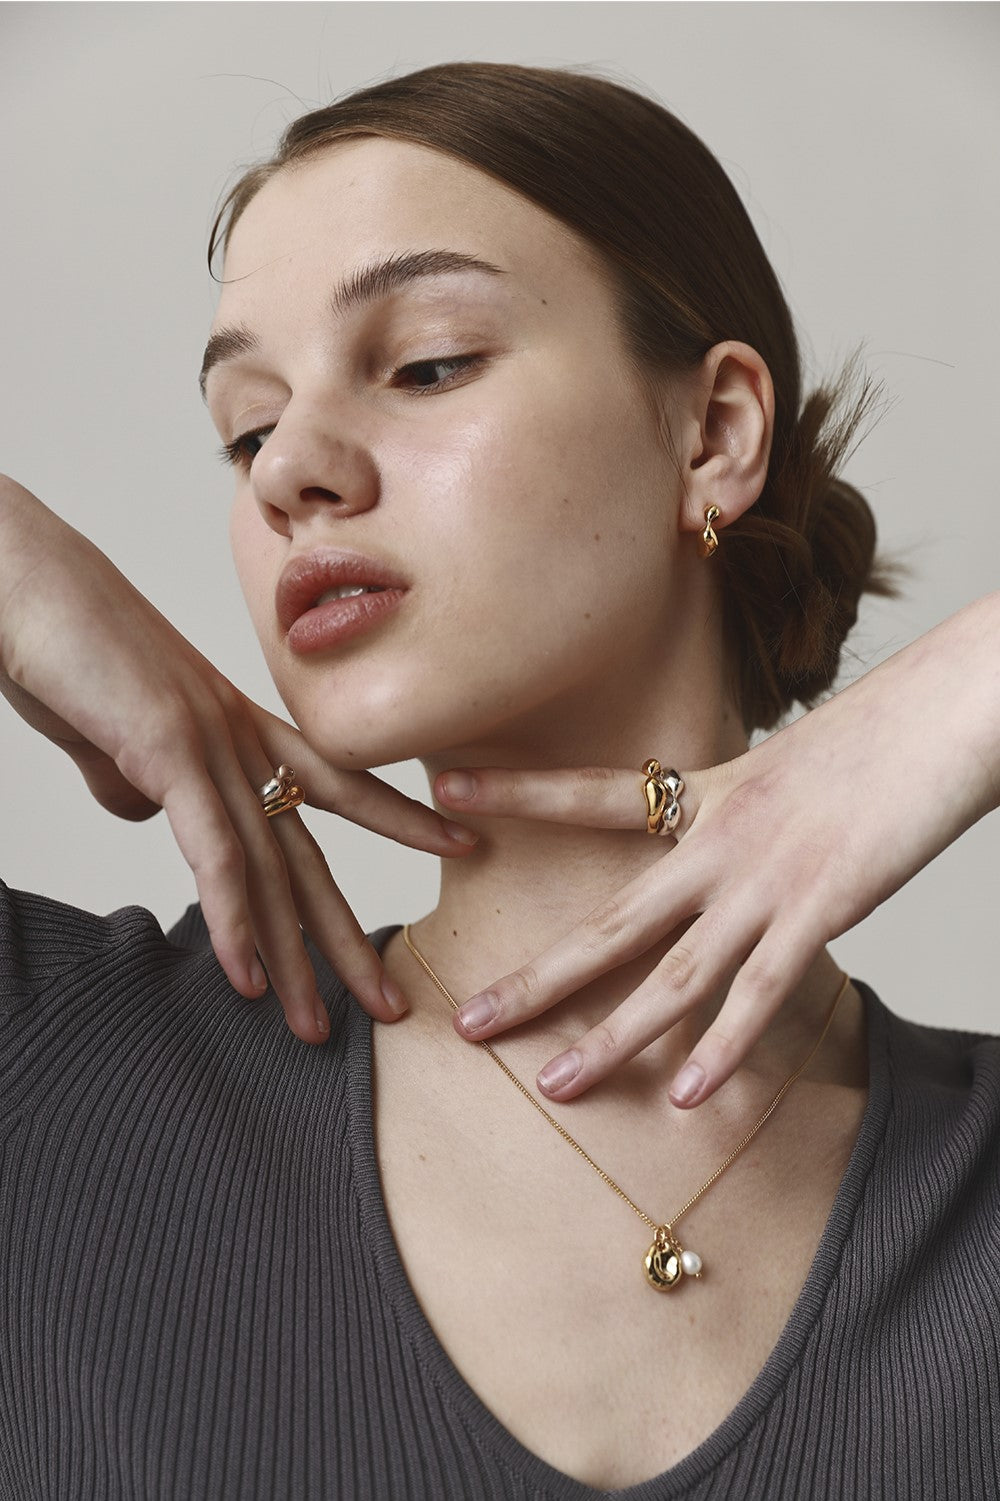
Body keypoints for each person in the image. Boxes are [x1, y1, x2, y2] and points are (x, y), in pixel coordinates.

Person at [1, 60, 997, 1500]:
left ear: (714, 435)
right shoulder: (56, 1075)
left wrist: (978, 676)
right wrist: (22, 568)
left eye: (426, 365)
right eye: (245, 425)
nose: (290, 469)